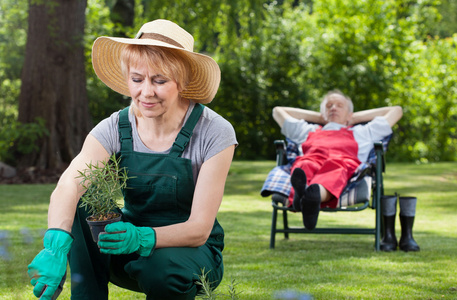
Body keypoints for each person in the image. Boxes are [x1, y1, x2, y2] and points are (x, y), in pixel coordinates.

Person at [27, 19, 237, 300]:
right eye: (137, 79)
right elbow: (69, 184)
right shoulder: (115, 126)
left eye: (159, 81)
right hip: (124, 249)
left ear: (182, 81)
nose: (146, 92)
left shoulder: (215, 132)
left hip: (190, 257)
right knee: (81, 197)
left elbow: (199, 230)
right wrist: (55, 244)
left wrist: (140, 237)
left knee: (162, 269)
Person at [272, 90, 402, 230]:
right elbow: (278, 111)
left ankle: (308, 198)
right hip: (311, 159)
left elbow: (397, 110)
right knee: (304, 164)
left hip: (342, 162)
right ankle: (305, 196)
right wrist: (321, 118)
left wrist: (352, 118)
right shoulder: (308, 129)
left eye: (340, 105)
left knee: (336, 168)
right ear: (322, 114)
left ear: (350, 114)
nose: (333, 108)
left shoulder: (364, 132)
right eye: (329, 106)